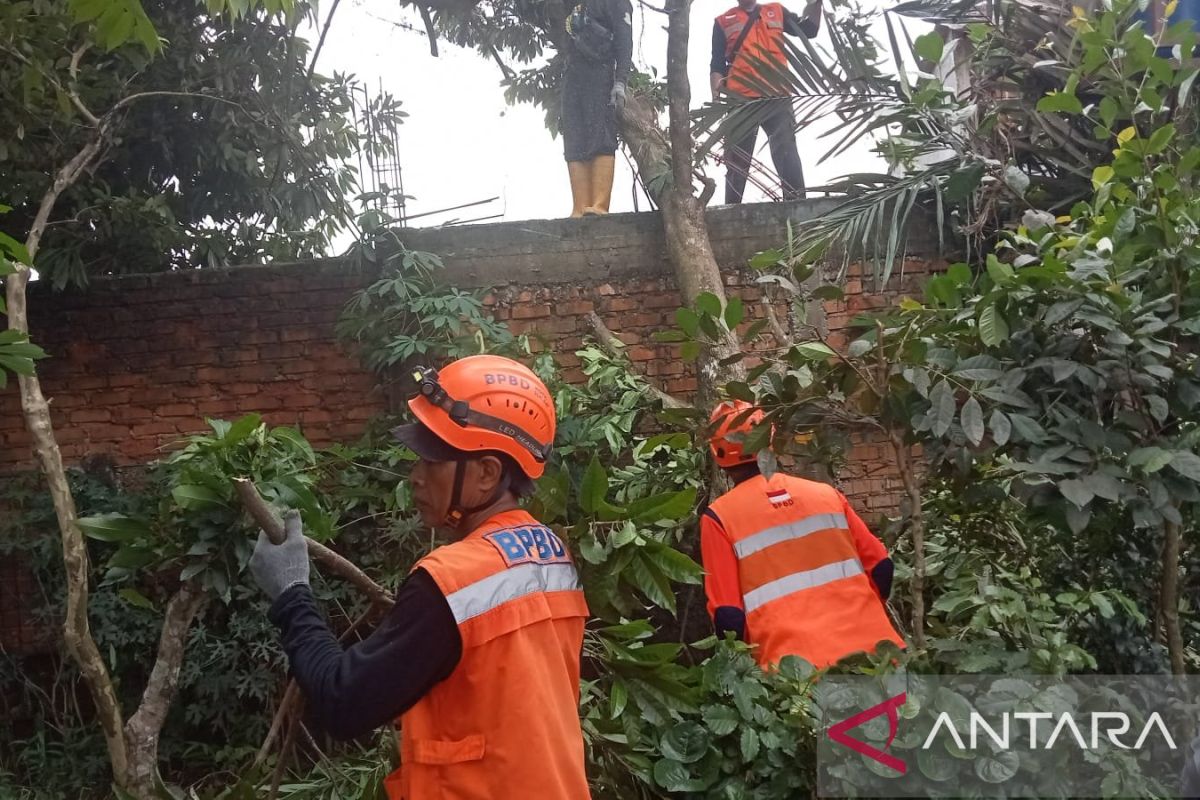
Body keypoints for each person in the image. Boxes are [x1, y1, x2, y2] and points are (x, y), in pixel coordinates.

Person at [249, 355, 591, 800]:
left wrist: (292, 592)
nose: (414, 477)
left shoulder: (450, 583)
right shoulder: (553, 555)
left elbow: (342, 701)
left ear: (487, 473)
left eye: (432, 460)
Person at [700, 400, 904, 669]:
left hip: (799, 677)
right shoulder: (825, 495)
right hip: (877, 656)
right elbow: (882, 568)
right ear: (769, 440)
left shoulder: (719, 518)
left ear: (718, 453)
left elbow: (729, 618)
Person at [710, 0, 823, 204]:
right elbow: (717, 63)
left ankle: (796, 204)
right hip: (740, 99)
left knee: (786, 150)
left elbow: (809, 30)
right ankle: (732, 211)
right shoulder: (722, 21)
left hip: (776, 95)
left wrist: (816, 3)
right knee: (737, 161)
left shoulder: (776, 11)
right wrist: (717, 99)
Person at [562, 0, 633, 217]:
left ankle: (599, 204)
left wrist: (620, 82)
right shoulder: (575, 4)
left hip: (601, 75)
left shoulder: (616, 3)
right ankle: (579, 206)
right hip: (574, 78)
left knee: (601, 138)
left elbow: (624, 43)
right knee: (574, 139)